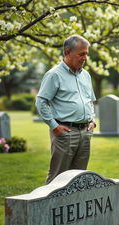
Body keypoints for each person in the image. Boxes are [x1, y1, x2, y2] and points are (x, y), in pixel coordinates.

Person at [36, 35, 96, 184]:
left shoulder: (86, 75)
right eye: (81, 54)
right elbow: (41, 101)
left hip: (85, 133)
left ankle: (74, 207)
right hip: (65, 133)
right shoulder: (54, 75)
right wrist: (54, 126)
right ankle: (50, 207)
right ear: (68, 52)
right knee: (58, 177)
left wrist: (92, 121)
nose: (85, 58)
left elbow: (90, 101)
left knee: (79, 179)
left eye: (86, 54)